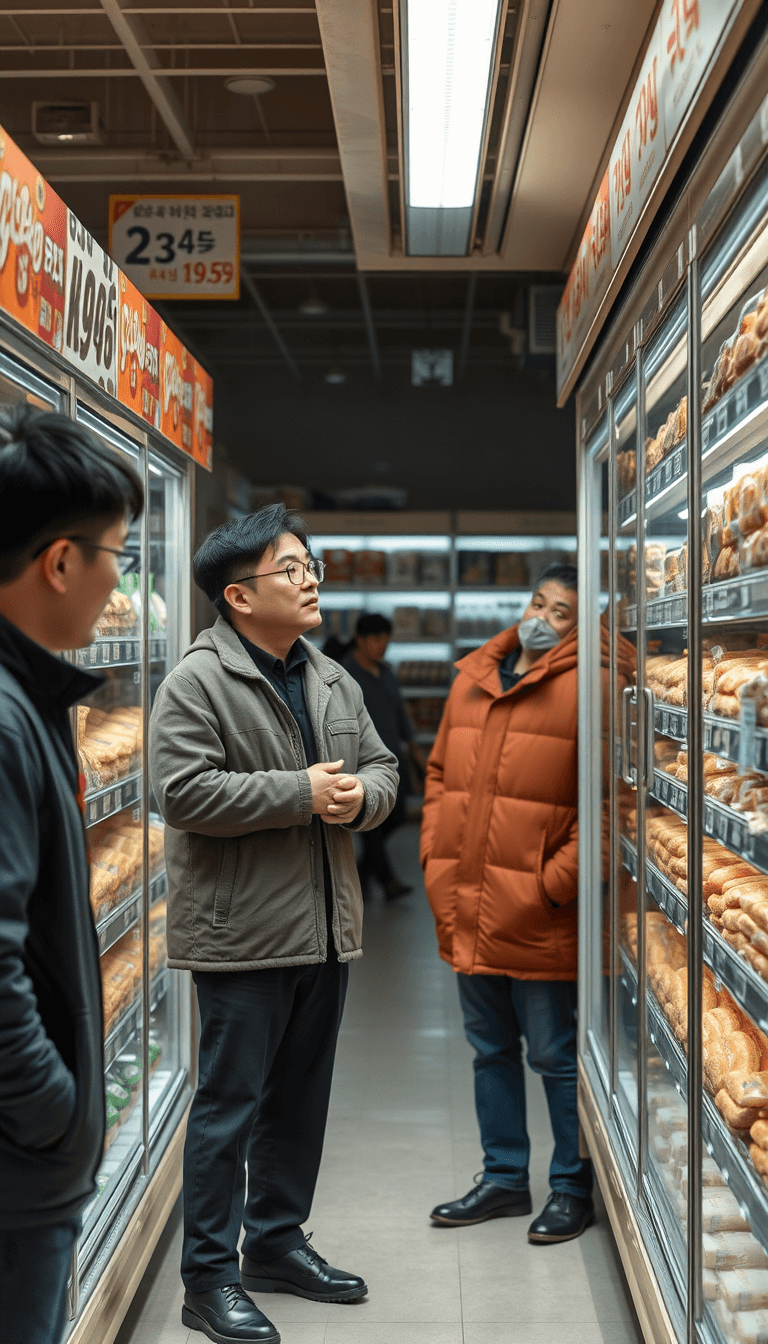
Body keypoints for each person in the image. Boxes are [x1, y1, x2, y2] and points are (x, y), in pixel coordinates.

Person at [149, 504, 399, 1344]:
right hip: (241, 934)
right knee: (230, 1109)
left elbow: (383, 768)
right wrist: (301, 793)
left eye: (308, 563)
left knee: (299, 1102)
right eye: (289, 568)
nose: (309, 577)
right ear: (239, 596)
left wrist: (364, 798)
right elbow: (181, 794)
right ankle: (208, 1279)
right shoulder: (197, 680)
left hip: (324, 927)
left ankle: (277, 1244)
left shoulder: (330, 677)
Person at [0, 404, 144, 1344]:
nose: (116, 584)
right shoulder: (7, 717)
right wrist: (55, 1113)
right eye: (116, 558)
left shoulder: (30, 693)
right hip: (16, 1175)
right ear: (60, 562)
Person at [421, 564, 612, 1244]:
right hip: (467, 903)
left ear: (580, 626)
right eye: (539, 602)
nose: (542, 617)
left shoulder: (593, 687)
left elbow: (610, 810)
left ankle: (571, 1187)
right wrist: (435, 867)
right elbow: (439, 775)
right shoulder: (474, 676)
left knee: (554, 1055)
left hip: (538, 913)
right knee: (489, 1050)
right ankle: (503, 1178)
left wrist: (548, 886)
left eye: (562, 612)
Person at [342, 613, 426, 899]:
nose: (383, 645)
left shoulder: (387, 672)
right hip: (360, 762)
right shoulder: (344, 675)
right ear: (360, 640)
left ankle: (363, 872)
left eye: (387, 639)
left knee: (397, 813)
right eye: (377, 639)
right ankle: (387, 880)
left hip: (392, 758)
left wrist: (414, 747)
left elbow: (400, 713)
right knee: (371, 820)